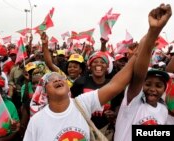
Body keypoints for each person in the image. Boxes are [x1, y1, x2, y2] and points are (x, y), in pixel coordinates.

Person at [22, 29, 137, 140]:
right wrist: (45, 45)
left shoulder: (81, 104)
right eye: (52, 80)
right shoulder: (37, 121)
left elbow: (116, 85)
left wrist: (137, 55)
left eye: (60, 78)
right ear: (44, 92)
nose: (57, 80)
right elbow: (50, 63)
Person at [114, 4, 172, 141]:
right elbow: (140, 74)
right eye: (148, 84)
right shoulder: (133, 102)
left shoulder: (163, 110)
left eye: (158, 86)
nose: (152, 89)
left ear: (164, 89)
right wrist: (154, 32)